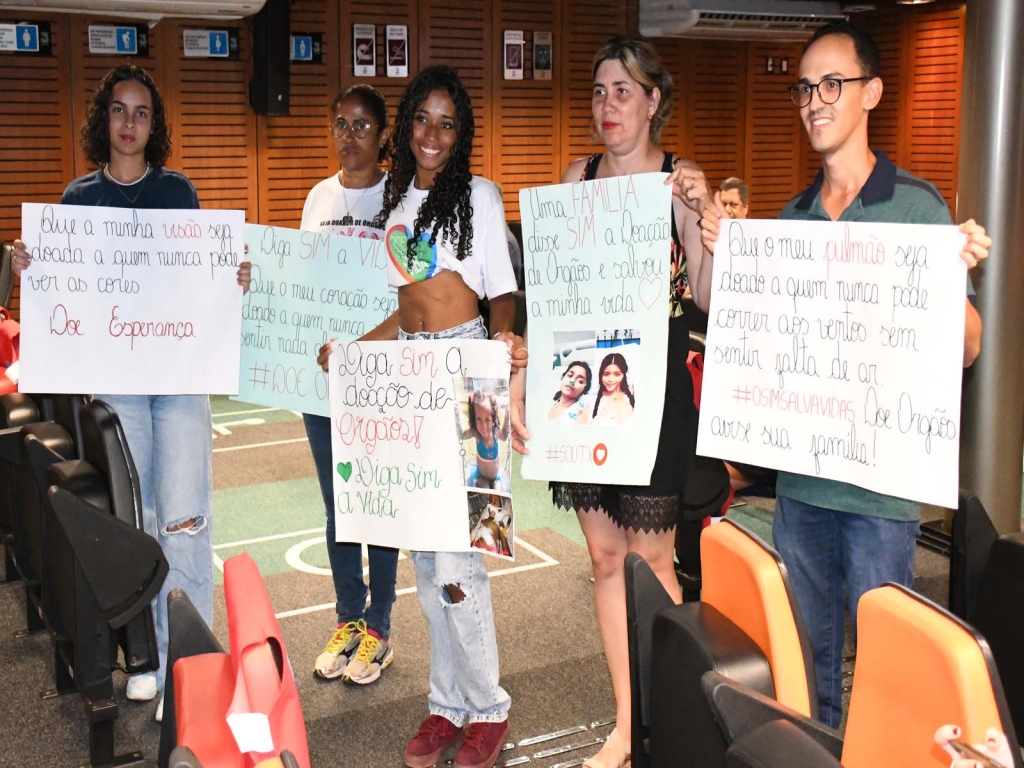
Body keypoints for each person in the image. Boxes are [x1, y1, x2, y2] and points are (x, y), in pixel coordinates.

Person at [700, 20, 989, 729]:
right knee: (809, 663)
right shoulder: (792, 219)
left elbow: (970, 351)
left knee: (892, 666)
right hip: (801, 489)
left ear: (872, 93)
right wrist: (729, 260)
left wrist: (948, 281)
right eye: (804, 88)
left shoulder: (918, 208)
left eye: (832, 83)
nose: (814, 100)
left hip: (882, 494)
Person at [11, 64, 251, 722]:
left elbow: (201, 288)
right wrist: (32, 268)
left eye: (141, 112)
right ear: (103, 120)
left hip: (179, 379)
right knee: (134, 520)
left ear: (154, 124)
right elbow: (59, 293)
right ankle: (146, 655)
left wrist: (232, 278)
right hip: (118, 381)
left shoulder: (179, 192)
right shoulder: (78, 199)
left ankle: (191, 657)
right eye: (119, 110)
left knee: (185, 520)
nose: (129, 123)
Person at [316, 64, 525, 768]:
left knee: (466, 554)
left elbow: (501, 294)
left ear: (460, 133)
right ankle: (447, 706)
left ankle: (487, 708)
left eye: (446, 122)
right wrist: (350, 353)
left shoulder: (482, 197)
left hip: (469, 375)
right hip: (407, 373)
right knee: (426, 563)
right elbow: (402, 312)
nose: (432, 134)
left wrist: (501, 342)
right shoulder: (399, 203)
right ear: (408, 128)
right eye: (422, 120)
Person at [523, 35, 713, 768]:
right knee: (605, 557)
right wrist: (526, 381)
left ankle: (666, 718)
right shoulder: (578, 175)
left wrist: (708, 226)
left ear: (653, 101)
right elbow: (555, 294)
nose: (608, 106)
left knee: (653, 558)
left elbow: (703, 293)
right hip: (583, 385)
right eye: (600, 92)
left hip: (651, 387)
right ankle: (628, 723)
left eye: (623, 91)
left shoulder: (678, 180)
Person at [301, 84, 400, 685]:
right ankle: (349, 618)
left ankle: (381, 628)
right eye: (340, 124)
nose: (349, 135)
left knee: (378, 504)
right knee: (339, 504)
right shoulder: (317, 197)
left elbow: (413, 289)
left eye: (361, 126)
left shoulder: (401, 199)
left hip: (382, 378)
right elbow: (302, 282)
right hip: (322, 383)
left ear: (384, 135)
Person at [457, 389, 510, 490]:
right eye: (479, 419)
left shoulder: (496, 433)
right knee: (485, 493)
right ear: (474, 418)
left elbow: (504, 436)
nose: (483, 426)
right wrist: (457, 415)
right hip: (482, 477)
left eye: (487, 420)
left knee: (497, 493)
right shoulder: (476, 434)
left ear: (493, 418)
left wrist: (507, 417)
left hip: (495, 477)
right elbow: (462, 435)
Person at [590, 352, 635, 426]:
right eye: (606, 374)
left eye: (617, 374)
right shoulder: (593, 398)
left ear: (624, 375)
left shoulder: (632, 393)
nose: (610, 379)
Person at [548, 360, 592, 424]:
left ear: (585, 389)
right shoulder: (549, 403)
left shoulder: (581, 411)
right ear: (562, 377)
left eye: (580, 381)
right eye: (570, 375)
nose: (572, 381)